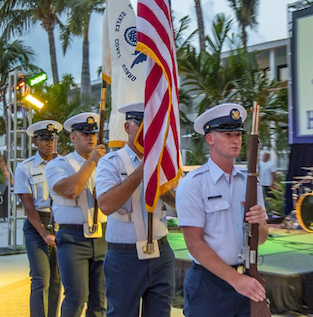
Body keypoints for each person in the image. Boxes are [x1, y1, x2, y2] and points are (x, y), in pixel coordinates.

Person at [175, 103, 269, 317]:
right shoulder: (194, 183)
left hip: (247, 277)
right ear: (210, 138)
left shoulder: (250, 182)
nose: (235, 140)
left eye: (238, 134)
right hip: (209, 285)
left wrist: (260, 224)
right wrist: (237, 281)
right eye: (227, 134)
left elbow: (261, 238)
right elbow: (195, 244)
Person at [96, 102, 175, 317]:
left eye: (150, 125)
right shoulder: (111, 163)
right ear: (127, 127)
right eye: (140, 123)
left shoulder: (165, 162)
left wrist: (162, 178)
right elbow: (105, 205)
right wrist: (142, 171)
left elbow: (181, 204)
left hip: (161, 253)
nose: (145, 131)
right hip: (124, 256)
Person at [45, 112, 107, 317]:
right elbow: (71, 190)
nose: (90, 137)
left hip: (102, 234)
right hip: (73, 237)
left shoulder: (107, 164)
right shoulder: (58, 164)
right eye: (84, 133)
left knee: (100, 301)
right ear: (73, 137)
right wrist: (91, 162)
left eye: (93, 133)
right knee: (76, 297)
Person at [14, 120, 63, 317]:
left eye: (51, 139)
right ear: (35, 142)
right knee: (41, 278)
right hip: (37, 226)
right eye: (44, 139)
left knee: (57, 279)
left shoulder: (63, 165)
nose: (49, 143)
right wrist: (44, 233)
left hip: (60, 223)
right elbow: (28, 207)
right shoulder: (25, 168)